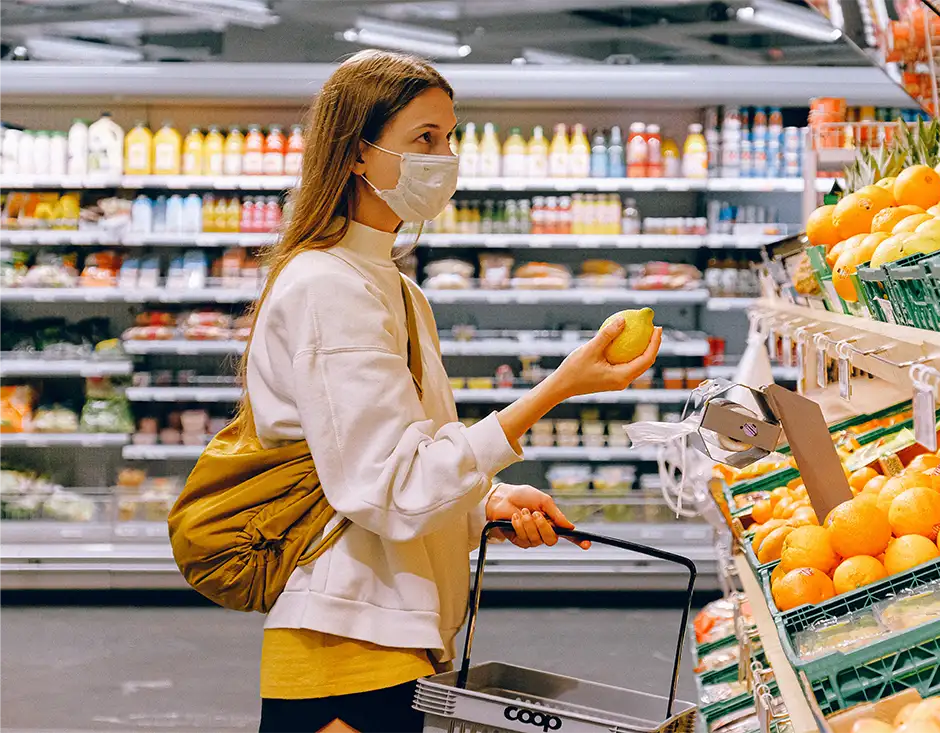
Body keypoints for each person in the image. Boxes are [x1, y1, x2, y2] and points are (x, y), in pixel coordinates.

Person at [243, 50, 662, 733]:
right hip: (347, 642)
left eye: (450, 136)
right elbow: (389, 485)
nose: (446, 157)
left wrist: (481, 504)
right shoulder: (328, 287)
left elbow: (402, 463)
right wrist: (556, 388)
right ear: (356, 154)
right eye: (425, 139)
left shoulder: (395, 289)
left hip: (394, 635)